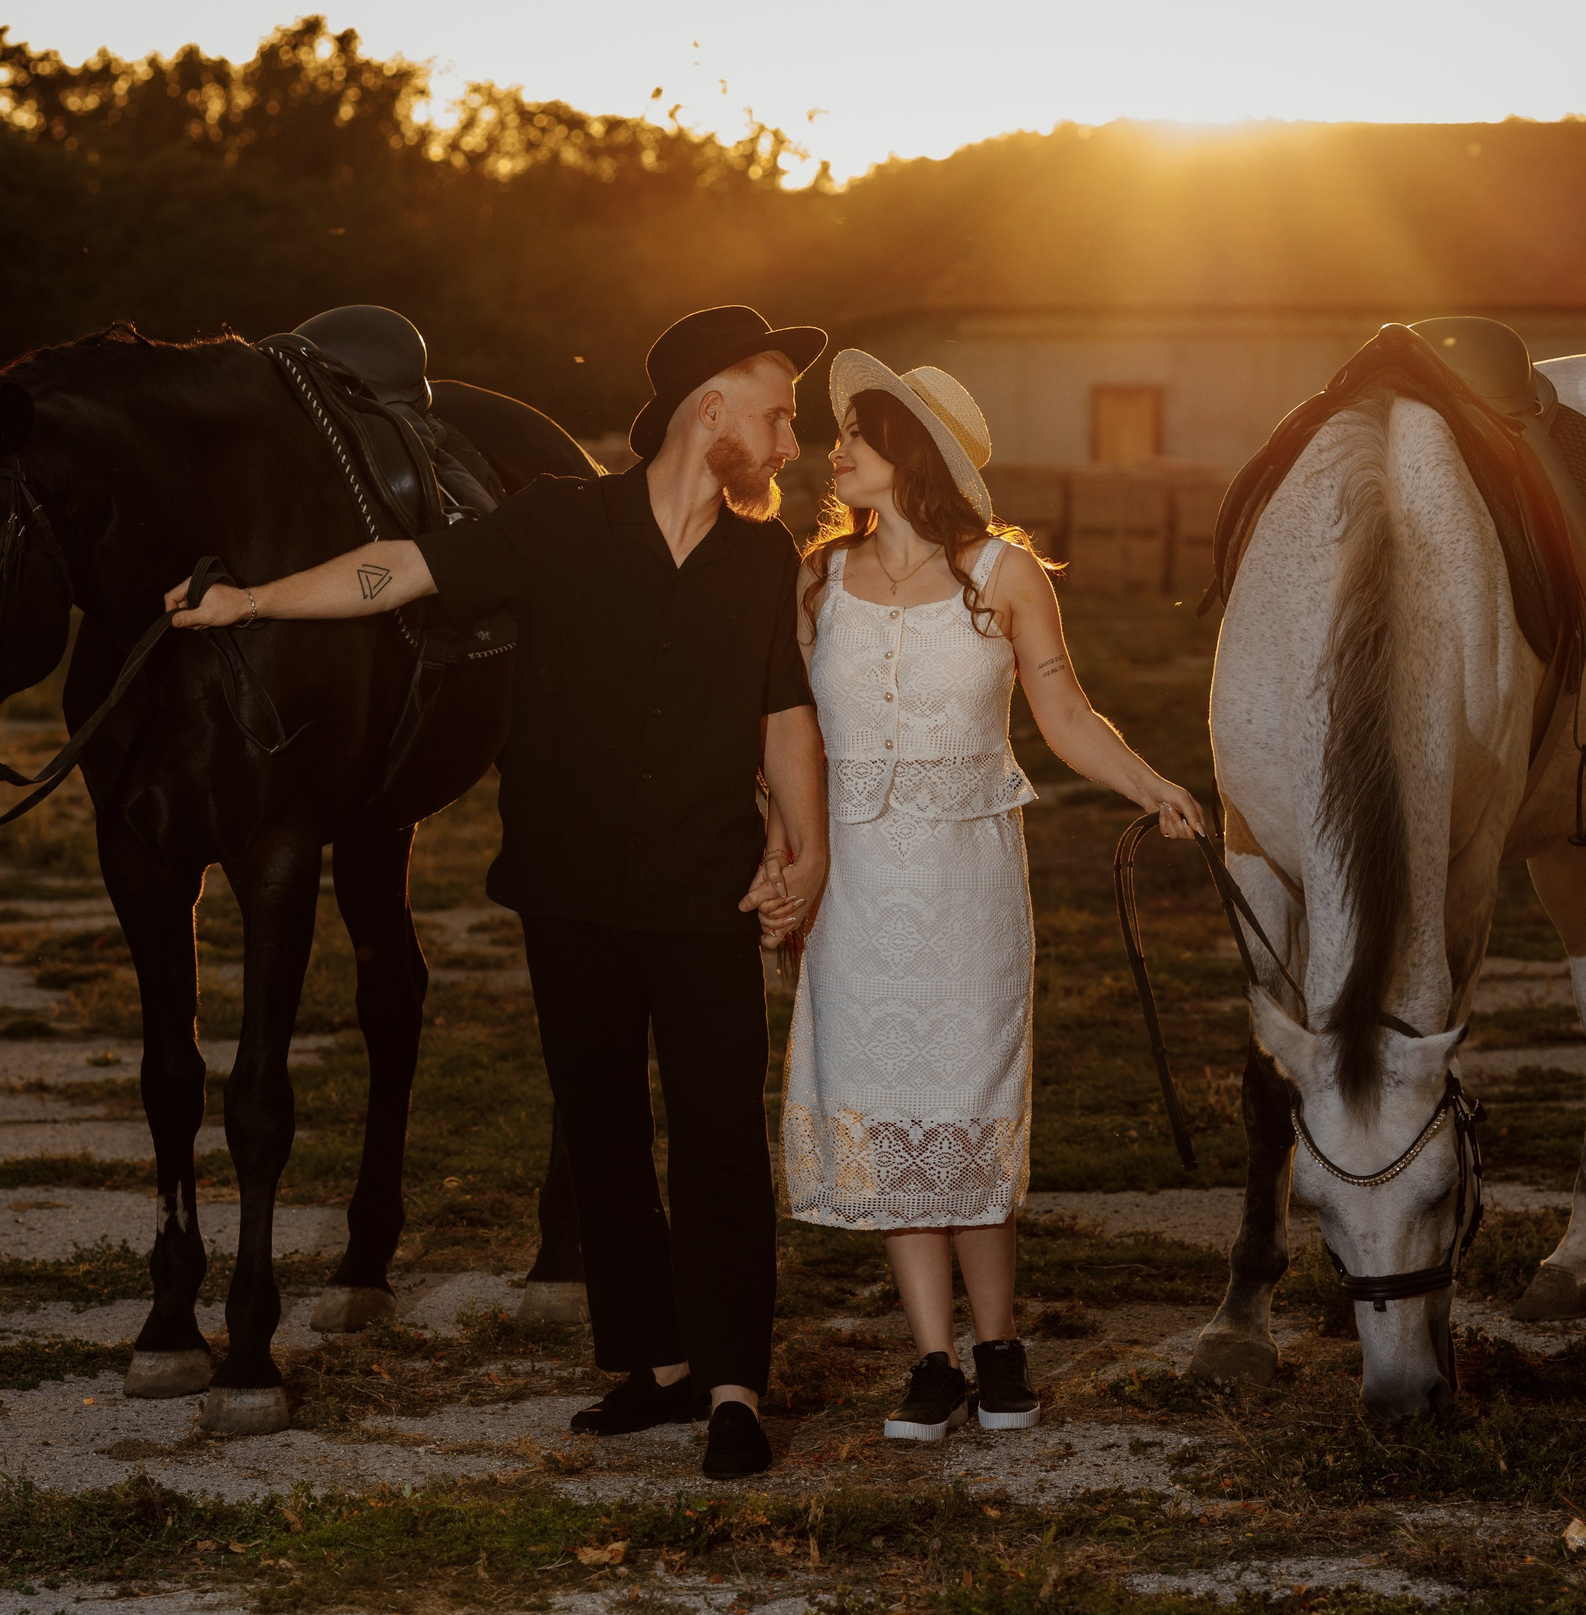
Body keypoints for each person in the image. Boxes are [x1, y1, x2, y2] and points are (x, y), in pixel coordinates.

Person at [169, 304, 831, 1480]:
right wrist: (253, 601)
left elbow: (785, 714)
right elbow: (397, 572)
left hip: (700, 888)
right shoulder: (554, 524)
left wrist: (806, 854)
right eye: (777, 415)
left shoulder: (760, 558)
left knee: (720, 1132)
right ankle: (654, 1365)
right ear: (710, 412)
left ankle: (733, 1383)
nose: (790, 442)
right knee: (604, 1128)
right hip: (568, 888)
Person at [763, 351, 1204, 1443]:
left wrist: (1151, 784)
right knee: (888, 1107)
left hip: (964, 878)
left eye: (858, 432)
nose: (836, 449)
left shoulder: (1004, 575)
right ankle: (930, 1359)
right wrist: (784, 849)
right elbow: (790, 740)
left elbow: (1063, 713)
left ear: (913, 450)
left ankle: (999, 1345)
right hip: (857, 885)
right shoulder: (817, 578)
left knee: (964, 1104)